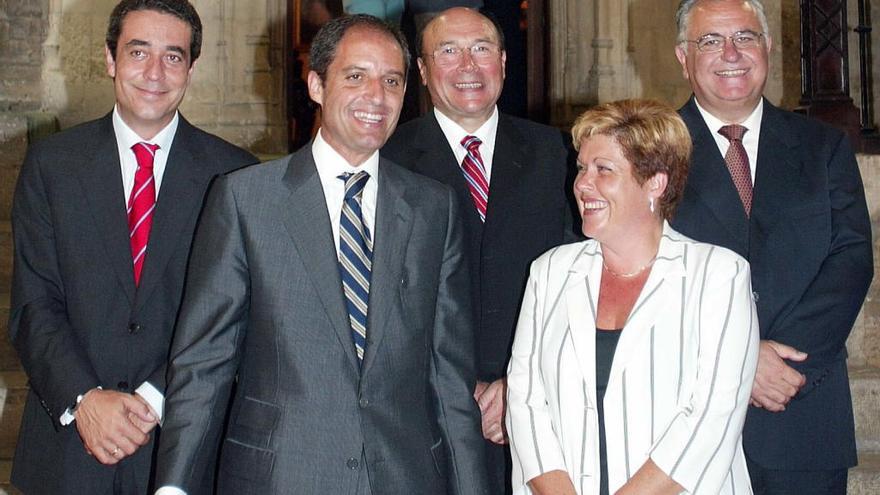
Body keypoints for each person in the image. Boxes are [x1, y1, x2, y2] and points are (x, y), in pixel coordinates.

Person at [153, 14, 489, 495]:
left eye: (391, 81)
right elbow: (204, 362)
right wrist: (174, 485)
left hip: (406, 477)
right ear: (316, 84)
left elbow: (449, 375)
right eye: (356, 76)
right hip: (281, 477)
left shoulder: (433, 208)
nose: (376, 96)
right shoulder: (245, 200)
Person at [7, 0, 257, 493]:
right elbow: (34, 306)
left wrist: (155, 400)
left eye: (173, 56)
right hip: (69, 449)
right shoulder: (51, 165)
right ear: (110, 59)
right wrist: (85, 400)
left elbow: (235, 315)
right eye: (138, 51)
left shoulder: (237, 174)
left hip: (183, 446)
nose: (154, 72)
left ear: (191, 68)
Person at [506, 99, 759, 495]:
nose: (582, 184)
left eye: (603, 170)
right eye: (581, 168)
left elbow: (711, 418)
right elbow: (525, 403)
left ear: (655, 183)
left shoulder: (718, 275)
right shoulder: (549, 271)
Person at [670, 1, 873, 493]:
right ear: (683, 57)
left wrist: (780, 363)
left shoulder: (823, 146)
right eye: (711, 41)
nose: (731, 53)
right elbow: (631, 270)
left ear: (767, 48)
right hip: (682, 419)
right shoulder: (648, 149)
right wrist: (742, 356)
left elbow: (849, 260)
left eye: (745, 37)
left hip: (801, 406)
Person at [382, 7, 576, 494]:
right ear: (423, 71)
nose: (468, 66)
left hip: (545, 413)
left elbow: (586, 279)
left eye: (482, 49)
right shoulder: (387, 162)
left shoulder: (562, 155)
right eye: (448, 52)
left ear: (504, 63)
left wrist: (521, 382)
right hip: (425, 421)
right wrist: (453, 388)